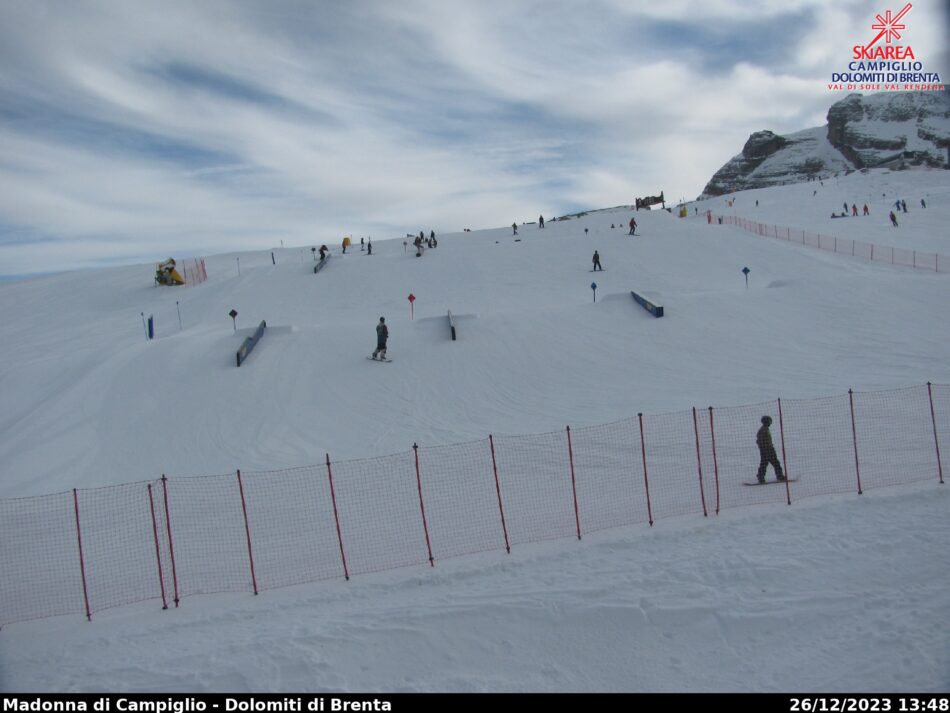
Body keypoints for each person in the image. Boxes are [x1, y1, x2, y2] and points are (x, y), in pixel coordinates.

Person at [756, 416, 785, 484]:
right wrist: (768, 448)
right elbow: (761, 441)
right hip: (768, 450)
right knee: (775, 463)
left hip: (765, 450)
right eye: (769, 421)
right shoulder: (764, 431)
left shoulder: (764, 429)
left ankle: (760, 476)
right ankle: (779, 476)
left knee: (764, 463)